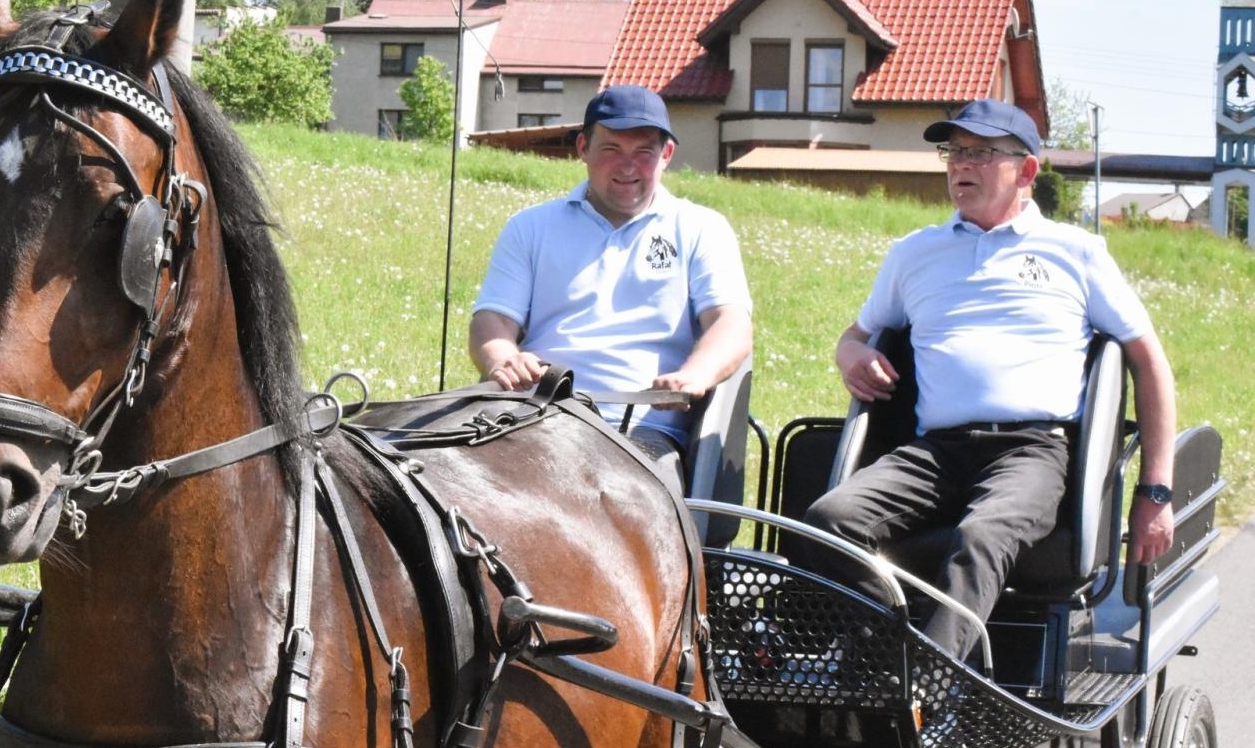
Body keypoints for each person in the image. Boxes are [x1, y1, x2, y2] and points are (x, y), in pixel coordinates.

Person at [803, 98, 1177, 660]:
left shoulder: (1076, 252)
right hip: (934, 453)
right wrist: (850, 354)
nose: (960, 166)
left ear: (1026, 171)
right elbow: (853, 336)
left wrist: (1155, 492)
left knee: (980, 536)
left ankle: (933, 686)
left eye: (979, 153)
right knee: (827, 520)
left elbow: (1149, 363)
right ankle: (886, 657)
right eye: (953, 152)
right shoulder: (914, 254)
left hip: (1032, 452)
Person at [467, 85, 753, 484]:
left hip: (640, 430)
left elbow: (732, 325)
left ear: (666, 155)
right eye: (611, 150)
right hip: (533, 413)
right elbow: (493, 319)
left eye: (644, 153)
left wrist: (697, 373)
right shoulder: (530, 227)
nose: (627, 167)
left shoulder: (701, 229)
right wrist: (502, 357)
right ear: (583, 147)